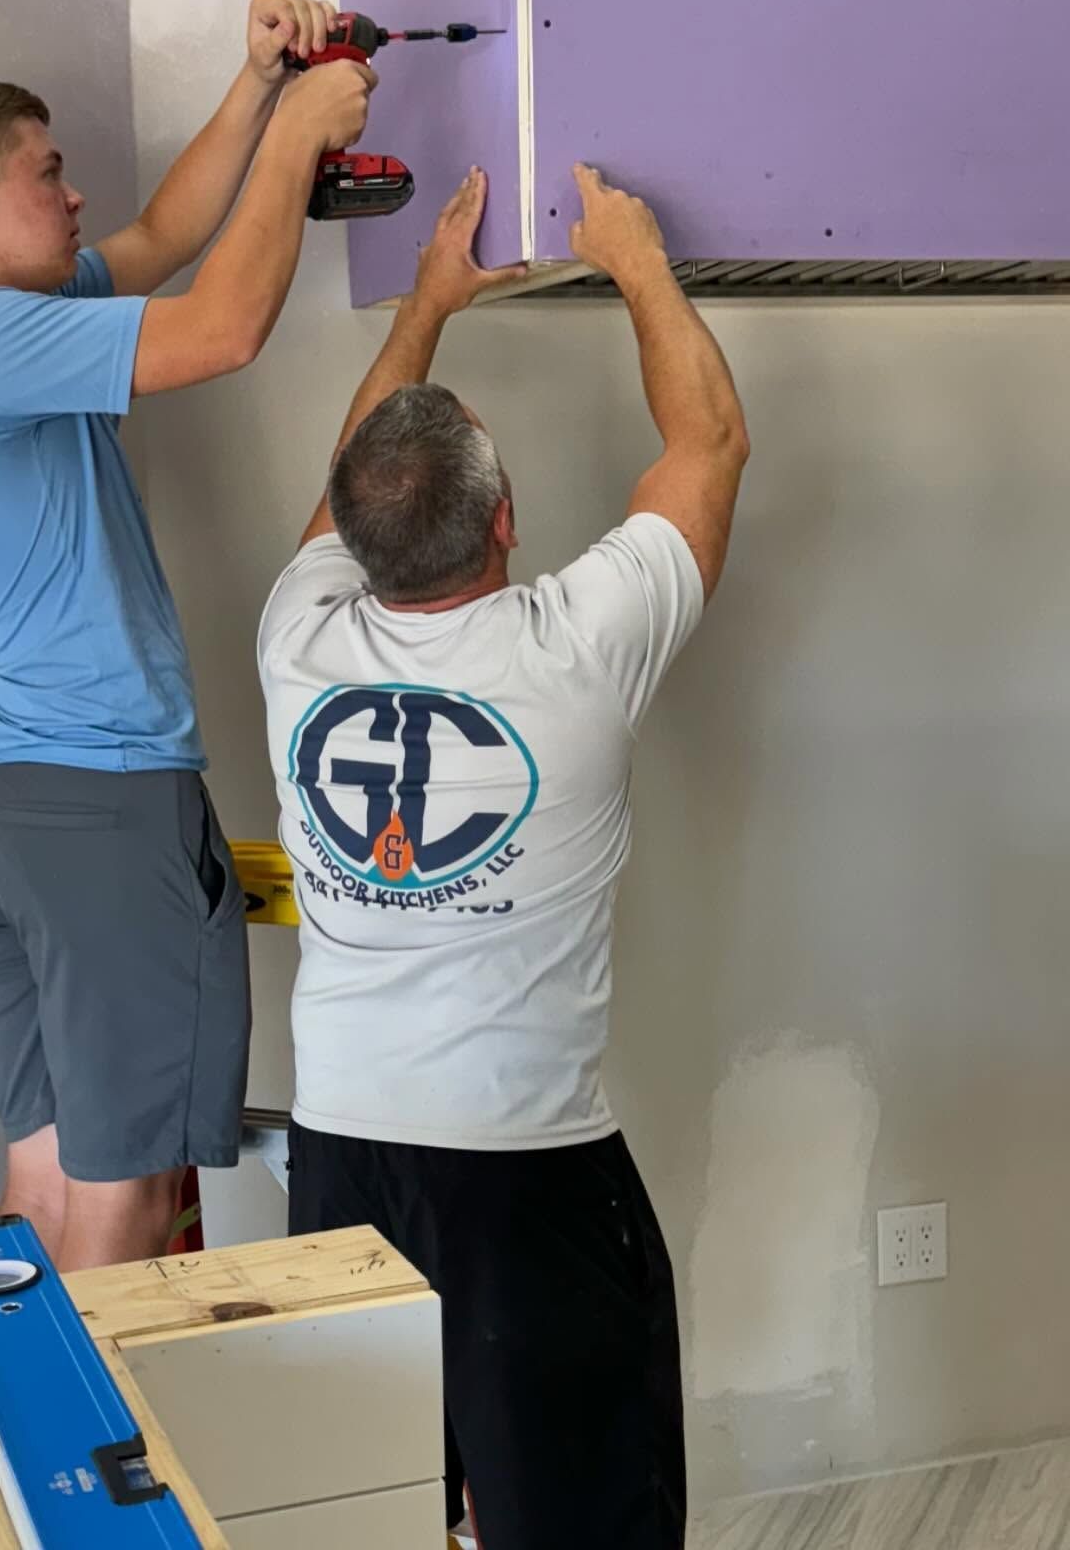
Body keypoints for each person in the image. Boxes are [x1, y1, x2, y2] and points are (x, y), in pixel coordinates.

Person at [256, 164, 749, 1547]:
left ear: (350, 538)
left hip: (340, 1156)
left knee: (378, 1514)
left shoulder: (297, 639)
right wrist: (635, 258)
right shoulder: (575, 650)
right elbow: (709, 443)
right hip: (520, 1177)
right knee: (582, 1521)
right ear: (508, 520)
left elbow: (352, 476)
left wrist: (426, 302)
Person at [0, 0, 374, 1272]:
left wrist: (260, 85)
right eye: (47, 175)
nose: (77, 194)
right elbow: (224, 327)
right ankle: (110, 1417)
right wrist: (301, 137)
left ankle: (28, 1410)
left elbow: (161, 236)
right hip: (92, 806)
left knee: (50, 1177)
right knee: (132, 1203)